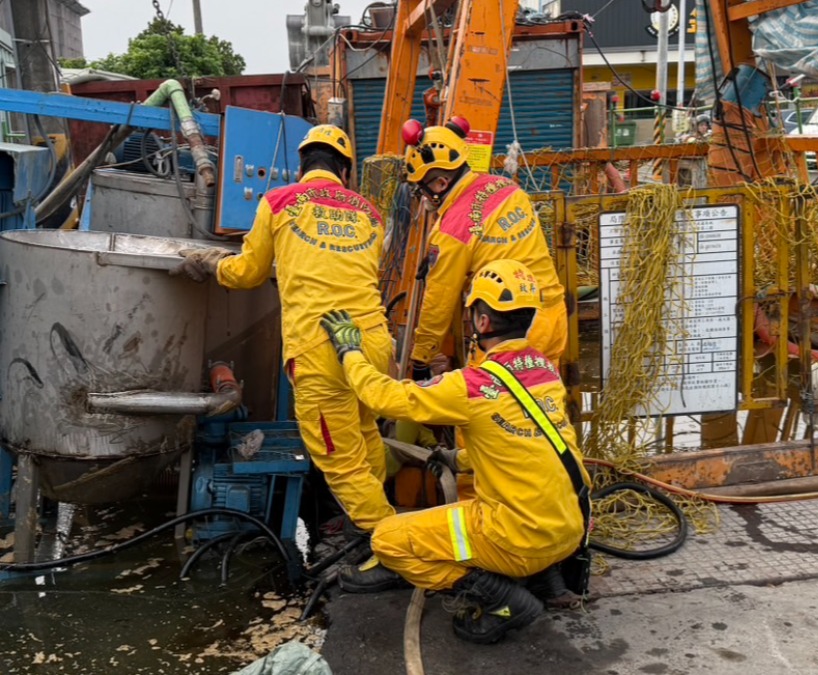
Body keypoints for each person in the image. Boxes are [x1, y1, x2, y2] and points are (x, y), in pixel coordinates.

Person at [319, 259, 590, 644]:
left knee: (388, 540)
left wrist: (350, 352)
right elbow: (522, 444)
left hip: (517, 537)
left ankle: (503, 597)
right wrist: (455, 460)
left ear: (481, 322)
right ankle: (546, 579)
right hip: (569, 529)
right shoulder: (544, 371)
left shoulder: (472, 385)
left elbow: (384, 397)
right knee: (518, 509)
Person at [172, 124, 397, 559]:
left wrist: (210, 263)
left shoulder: (279, 200)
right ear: (345, 171)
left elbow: (249, 272)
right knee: (366, 432)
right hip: (371, 340)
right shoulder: (370, 212)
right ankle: (377, 516)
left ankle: (390, 547)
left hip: (321, 348)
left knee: (339, 457)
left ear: (301, 165)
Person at [401, 116, 567, 377]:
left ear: (441, 184)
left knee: (490, 409)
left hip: (508, 331)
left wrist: (422, 357)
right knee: (542, 398)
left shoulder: (452, 230)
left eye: (422, 189)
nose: (422, 197)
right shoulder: (507, 188)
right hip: (552, 314)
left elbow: (439, 302)